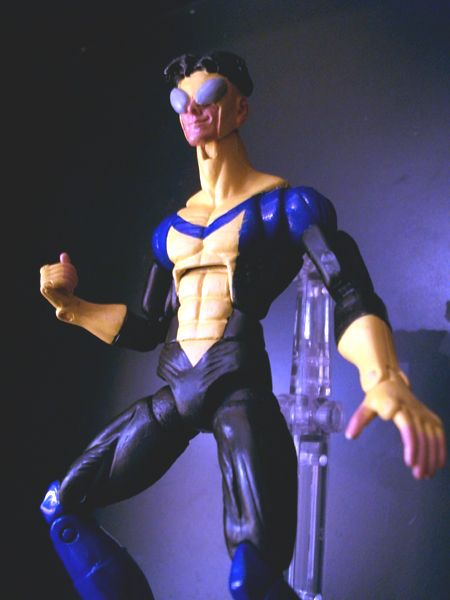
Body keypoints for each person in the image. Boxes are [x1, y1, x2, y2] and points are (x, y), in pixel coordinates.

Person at [40, 51, 446, 600]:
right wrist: (73, 306)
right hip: (176, 393)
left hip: (238, 391)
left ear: (240, 109)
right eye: (181, 102)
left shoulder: (282, 207)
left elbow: (347, 288)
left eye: (209, 97)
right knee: (62, 506)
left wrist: (382, 376)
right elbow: (146, 328)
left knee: (253, 575)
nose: (192, 111)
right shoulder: (170, 231)